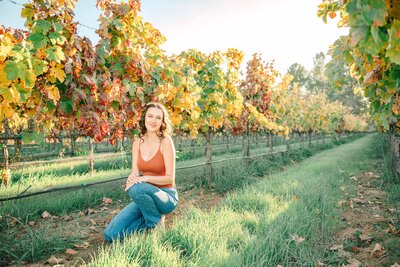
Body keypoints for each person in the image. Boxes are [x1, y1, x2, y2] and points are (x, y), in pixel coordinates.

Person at [104, 102, 178, 242]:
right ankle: (150, 221)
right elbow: (135, 173)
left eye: (158, 118)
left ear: (162, 121)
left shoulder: (165, 141)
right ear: (144, 118)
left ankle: (155, 224)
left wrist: (144, 179)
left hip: (166, 197)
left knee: (137, 189)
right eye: (150, 116)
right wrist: (132, 179)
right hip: (145, 197)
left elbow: (169, 178)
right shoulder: (137, 142)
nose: (153, 120)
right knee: (110, 235)